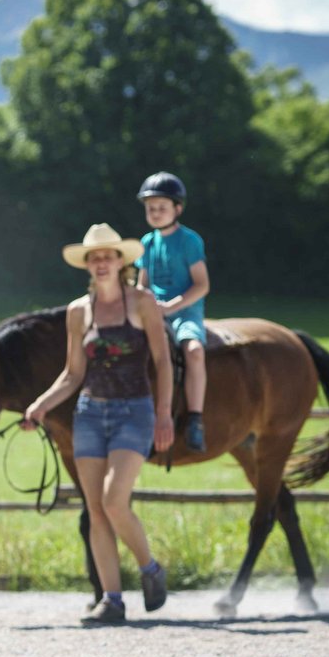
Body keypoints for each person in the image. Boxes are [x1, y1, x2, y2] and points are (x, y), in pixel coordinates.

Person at [21, 223, 176, 623]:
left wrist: (163, 415)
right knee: (96, 509)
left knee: (113, 500)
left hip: (135, 412)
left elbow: (161, 362)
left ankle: (149, 568)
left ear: (120, 262)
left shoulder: (142, 303)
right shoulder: (79, 311)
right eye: (94, 257)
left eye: (108, 256)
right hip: (90, 413)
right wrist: (40, 405)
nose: (101, 263)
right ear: (87, 265)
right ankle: (112, 599)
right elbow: (73, 373)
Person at [135, 171, 211, 451]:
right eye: (150, 208)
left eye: (161, 208)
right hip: (152, 312)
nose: (155, 213)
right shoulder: (146, 243)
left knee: (193, 351)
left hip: (184, 311)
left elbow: (202, 285)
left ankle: (195, 418)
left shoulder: (189, 241)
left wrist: (172, 307)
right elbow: (142, 283)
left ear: (177, 209)